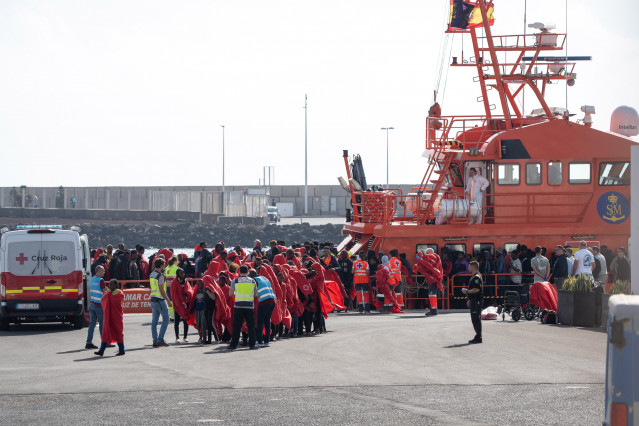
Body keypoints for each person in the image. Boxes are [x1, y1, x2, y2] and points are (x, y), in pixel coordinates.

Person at [228, 265, 259, 350]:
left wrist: (237, 294)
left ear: (239, 271)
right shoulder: (252, 281)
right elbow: (256, 294)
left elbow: (230, 294)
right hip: (249, 306)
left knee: (237, 326)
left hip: (238, 306)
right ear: (248, 271)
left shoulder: (235, 280)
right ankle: (252, 344)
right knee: (251, 326)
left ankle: (233, 345)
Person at [94, 279, 125, 356]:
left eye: (111, 284)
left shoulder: (119, 293)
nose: (109, 286)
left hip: (116, 317)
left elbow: (115, 301)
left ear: (116, 285)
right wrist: (108, 294)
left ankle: (122, 350)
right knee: (105, 332)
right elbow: (103, 300)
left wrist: (108, 294)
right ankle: (101, 351)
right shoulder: (108, 293)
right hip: (109, 316)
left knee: (118, 333)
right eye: (109, 284)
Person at [251, 270, 277, 348]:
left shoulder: (254, 280)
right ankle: (266, 341)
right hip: (272, 300)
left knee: (259, 322)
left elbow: (253, 292)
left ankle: (259, 341)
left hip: (264, 301)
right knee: (267, 321)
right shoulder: (264, 278)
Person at [149, 258, 172, 347]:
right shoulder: (160, 275)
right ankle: (160, 339)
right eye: (164, 264)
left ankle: (155, 340)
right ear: (162, 265)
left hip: (153, 299)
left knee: (154, 321)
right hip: (160, 300)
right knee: (166, 319)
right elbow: (162, 290)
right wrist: (168, 300)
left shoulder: (152, 274)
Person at [170, 268, 194, 343]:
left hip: (185, 304)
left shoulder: (186, 282)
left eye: (183, 273)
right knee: (176, 321)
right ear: (177, 274)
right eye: (181, 273)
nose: (183, 274)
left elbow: (190, 291)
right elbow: (173, 294)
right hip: (178, 304)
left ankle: (185, 337)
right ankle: (177, 337)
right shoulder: (174, 282)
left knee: (185, 320)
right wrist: (178, 302)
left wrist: (186, 293)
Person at [85, 265, 106, 349]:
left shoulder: (92, 279)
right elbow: (105, 291)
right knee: (102, 325)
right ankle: (104, 342)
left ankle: (88, 342)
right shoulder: (101, 280)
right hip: (99, 305)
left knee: (92, 325)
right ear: (98, 271)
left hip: (92, 304)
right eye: (103, 270)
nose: (104, 272)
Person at [462, 261, 483, 344]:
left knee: (476, 319)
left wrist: (467, 291)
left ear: (473, 267)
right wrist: (469, 299)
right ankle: (478, 336)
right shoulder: (474, 276)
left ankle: (478, 337)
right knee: (474, 319)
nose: (468, 268)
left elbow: (477, 289)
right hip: (473, 300)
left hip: (476, 301)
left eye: (469, 267)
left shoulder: (476, 277)